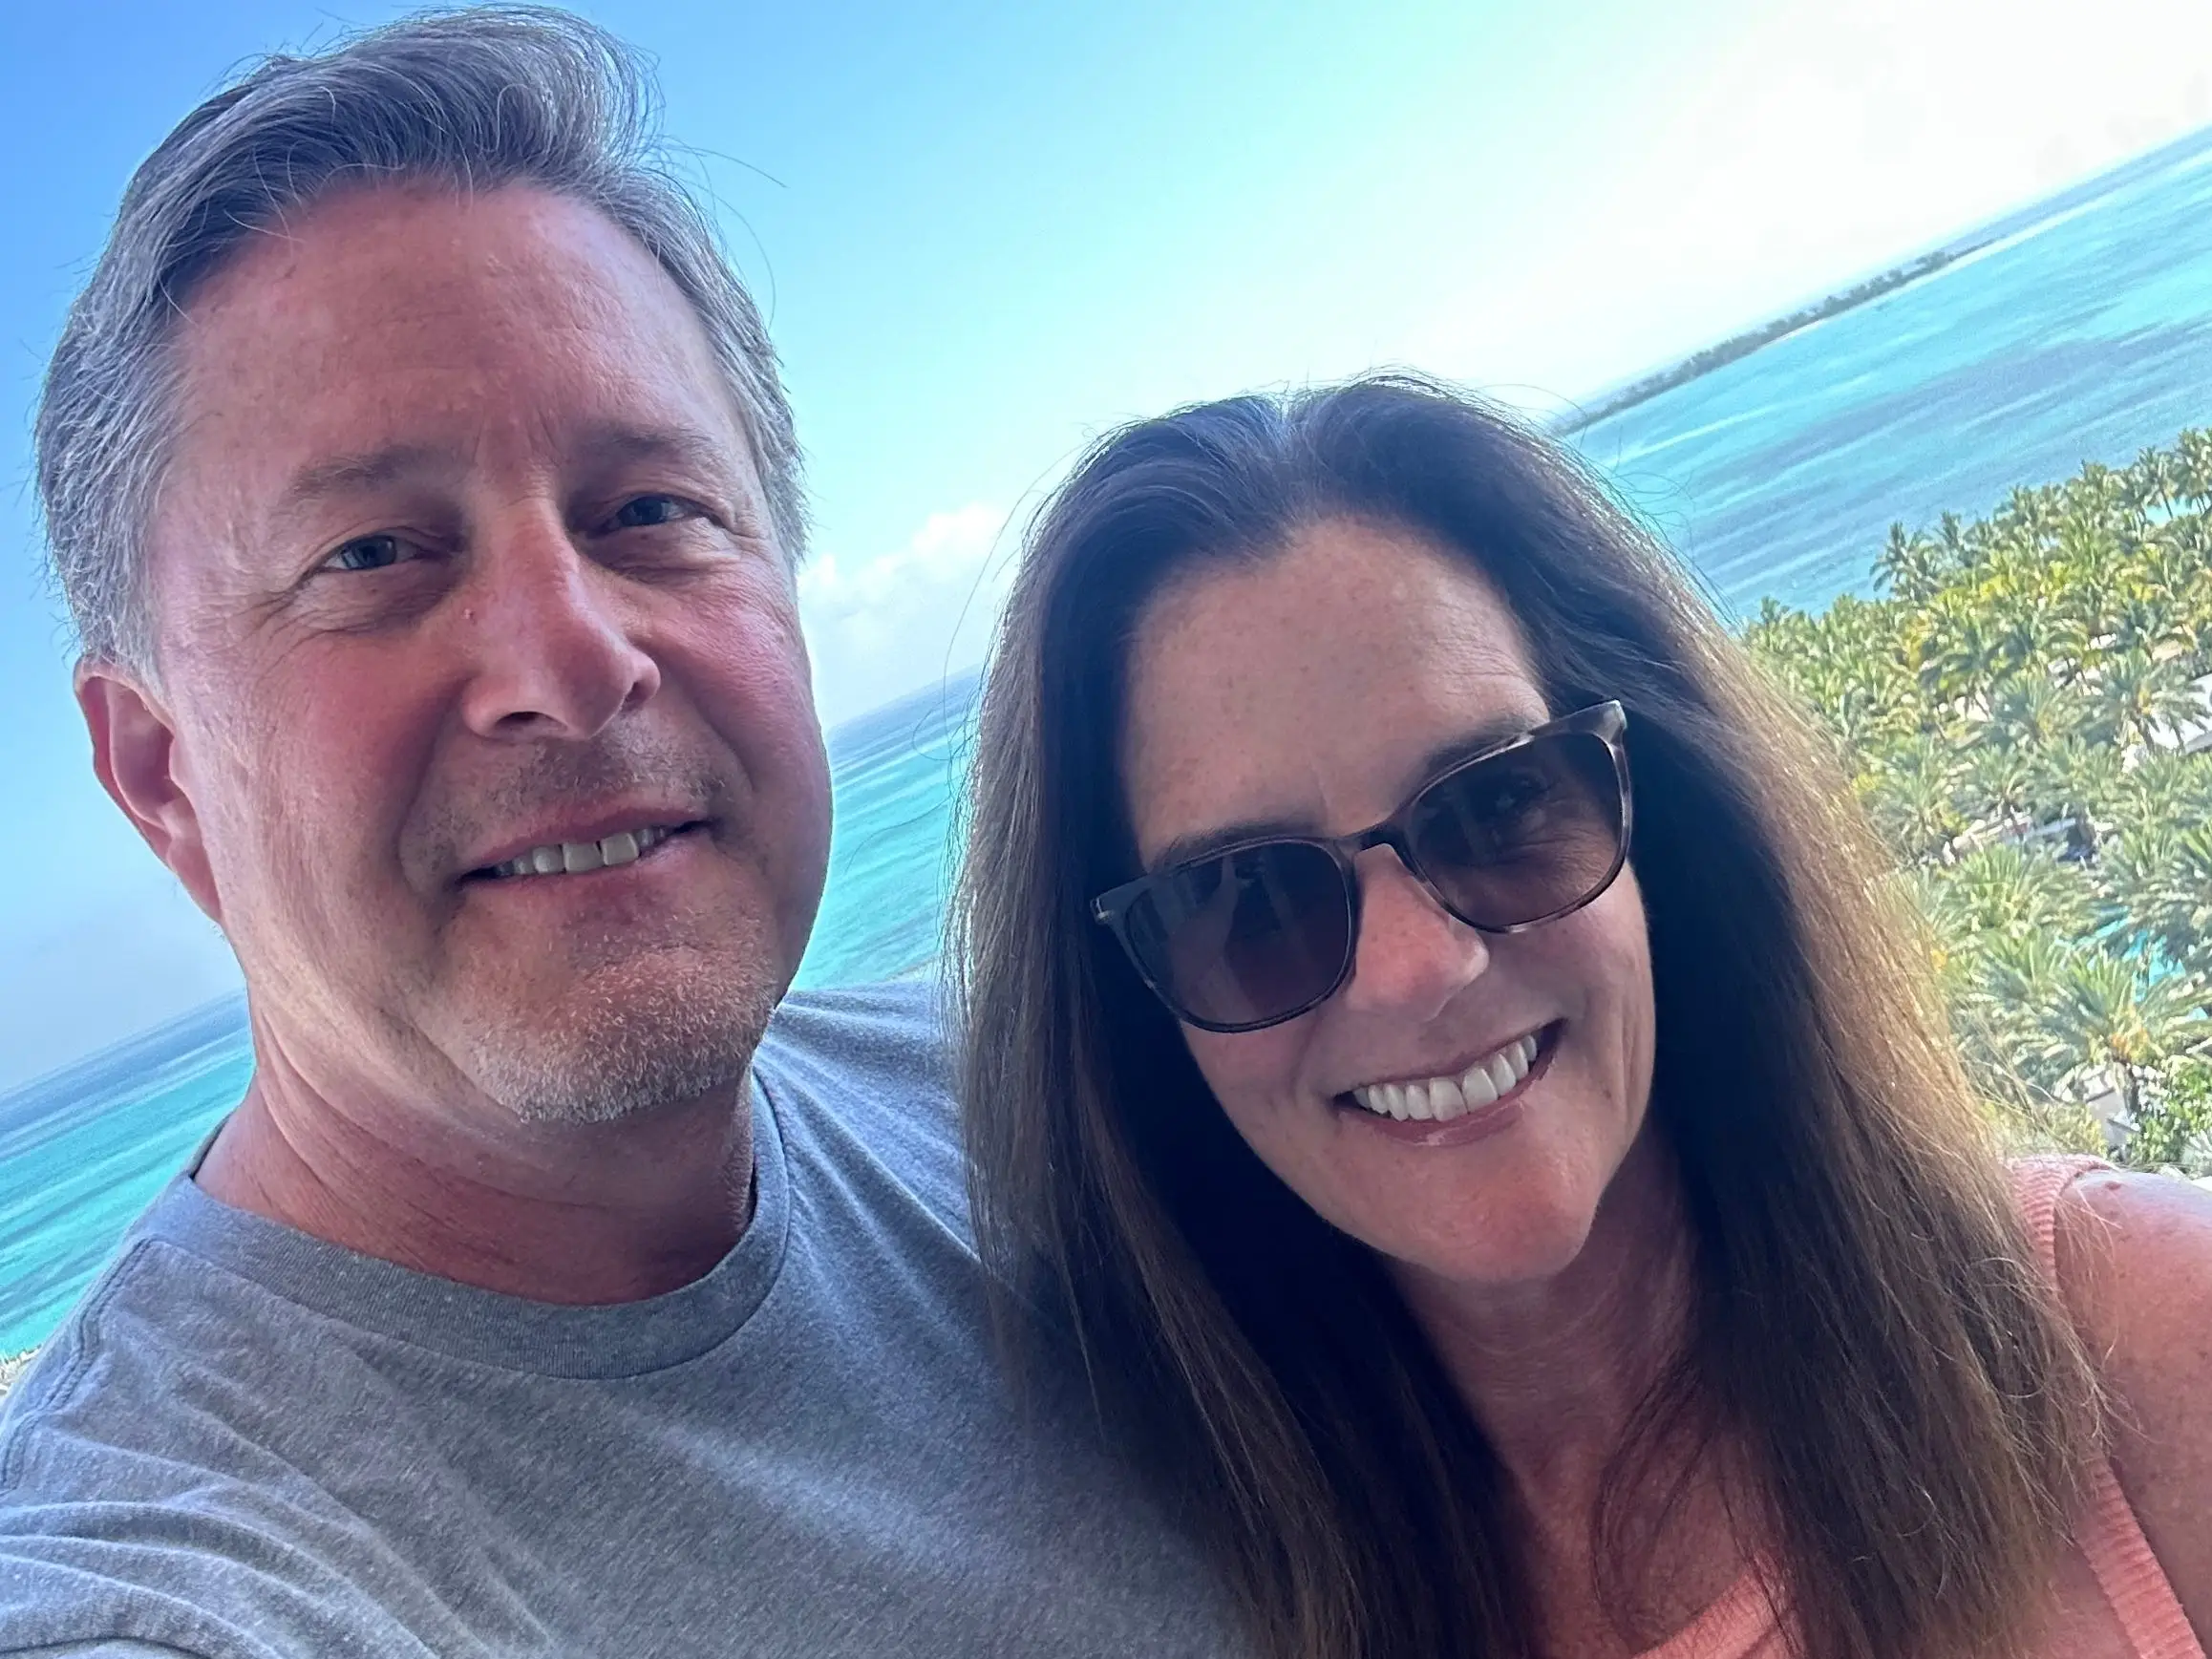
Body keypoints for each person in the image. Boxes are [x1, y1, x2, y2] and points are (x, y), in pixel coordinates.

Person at [0, 11, 1242, 1656]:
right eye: (376, 554)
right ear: (162, 774)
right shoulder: (175, 1573)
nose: (575, 661)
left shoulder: (1036, 1105)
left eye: (651, 511)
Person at [953, 375, 2212, 1659]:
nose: (1415, 972)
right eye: (1249, 898)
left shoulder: (2155, 1357)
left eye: (1498, 806)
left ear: (1653, 808)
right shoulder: (1181, 1588)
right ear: (1138, 1015)